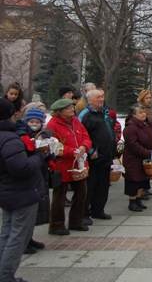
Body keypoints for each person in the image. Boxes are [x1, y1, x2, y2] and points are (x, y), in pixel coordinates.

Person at [0, 98, 48, 282]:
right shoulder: (10, 138)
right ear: (12, 114)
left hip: (7, 191)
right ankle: (6, 275)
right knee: (18, 235)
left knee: (7, 232)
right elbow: (21, 168)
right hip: (20, 192)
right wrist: (39, 156)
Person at [46, 98, 92, 235]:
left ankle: (75, 221)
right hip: (61, 166)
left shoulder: (76, 121)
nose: (72, 109)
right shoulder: (52, 125)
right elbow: (54, 146)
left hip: (79, 165)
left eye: (72, 107)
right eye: (68, 108)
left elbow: (86, 137)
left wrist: (85, 146)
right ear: (59, 112)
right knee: (59, 196)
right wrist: (72, 151)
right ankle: (56, 225)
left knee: (81, 192)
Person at [17, 107, 52, 254]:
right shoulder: (23, 136)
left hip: (40, 174)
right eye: (31, 121)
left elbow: (47, 154)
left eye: (37, 121)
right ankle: (23, 243)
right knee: (25, 215)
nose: (34, 123)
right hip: (30, 176)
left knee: (35, 212)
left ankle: (29, 239)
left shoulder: (43, 135)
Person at [78, 89, 115, 222]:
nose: (101, 99)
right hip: (93, 157)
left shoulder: (104, 113)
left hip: (106, 156)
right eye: (98, 97)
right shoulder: (86, 115)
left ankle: (98, 210)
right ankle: (84, 213)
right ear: (90, 100)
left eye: (102, 96)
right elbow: (80, 135)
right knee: (90, 185)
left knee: (103, 185)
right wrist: (91, 150)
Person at [123, 105, 152, 212]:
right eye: (140, 113)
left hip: (145, 157)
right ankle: (132, 201)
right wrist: (149, 153)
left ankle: (138, 199)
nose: (143, 114)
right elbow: (133, 145)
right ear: (133, 115)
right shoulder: (130, 128)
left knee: (142, 180)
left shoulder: (148, 124)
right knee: (133, 180)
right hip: (133, 159)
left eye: (144, 112)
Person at [136, 90, 152, 200]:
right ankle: (140, 190)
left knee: (148, 165)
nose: (150, 100)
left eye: (150, 97)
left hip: (150, 136)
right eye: (147, 98)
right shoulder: (139, 109)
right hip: (142, 138)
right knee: (141, 166)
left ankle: (146, 188)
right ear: (142, 98)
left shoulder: (150, 109)